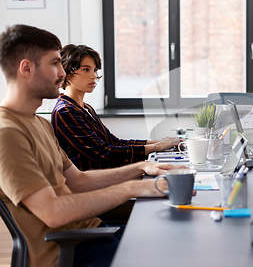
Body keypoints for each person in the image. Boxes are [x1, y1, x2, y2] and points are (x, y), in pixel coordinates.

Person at [0, 24, 184, 267]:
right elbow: (52, 213)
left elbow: (78, 181)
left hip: (90, 235)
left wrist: (142, 169)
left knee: (177, 241)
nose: (63, 72)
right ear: (26, 68)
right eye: (55, 63)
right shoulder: (7, 133)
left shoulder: (38, 123)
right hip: (70, 257)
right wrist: (133, 188)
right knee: (177, 264)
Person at [51, 44, 180, 171]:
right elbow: (103, 153)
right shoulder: (65, 111)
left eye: (95, 70)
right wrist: (155, 147)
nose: (94, 76)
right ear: (67, 74)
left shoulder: (85, 108)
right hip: (97, 182)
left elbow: (114, 142)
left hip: (109, 174)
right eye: (86, 69)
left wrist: (160, 143)